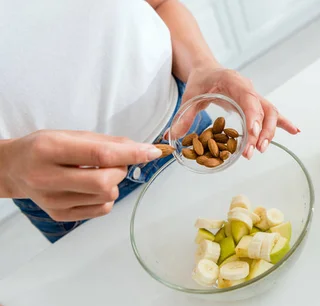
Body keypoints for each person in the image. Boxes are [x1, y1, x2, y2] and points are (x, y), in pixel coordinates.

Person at [0, 0, 300, 243]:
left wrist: (202, 66)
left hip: (182, 127)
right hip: (61, 189)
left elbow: (159, 5)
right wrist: (9, 169)